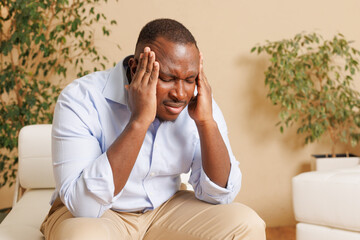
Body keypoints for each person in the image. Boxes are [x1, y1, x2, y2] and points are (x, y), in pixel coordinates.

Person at [40, 18, 265, 240]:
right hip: (99, 216)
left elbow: (220, 196)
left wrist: (206, 123)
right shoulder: (81, 98)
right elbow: (84, 207)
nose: (180, 93)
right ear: (136, 68)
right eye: (167, 78)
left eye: (190, 79)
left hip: (165, 209)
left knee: (246, 225)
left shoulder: (198, 101)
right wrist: (139, 121)